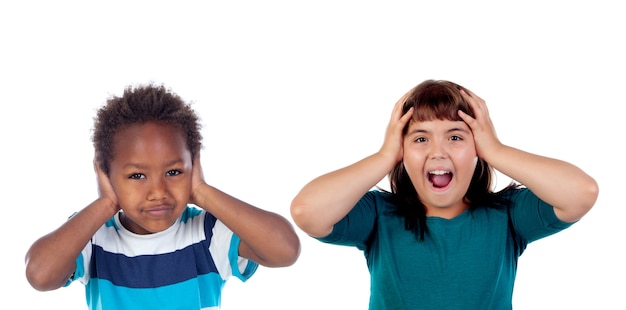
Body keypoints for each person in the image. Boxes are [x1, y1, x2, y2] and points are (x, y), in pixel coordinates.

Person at [290, 79, 598, 309]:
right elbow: (307, 211)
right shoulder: (379, 215)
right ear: (402, 151)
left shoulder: (506, 215)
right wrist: (384, 156)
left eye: (455, 136)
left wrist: (496, 149)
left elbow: (581, 193)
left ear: (477, 148)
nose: (438, 152)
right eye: (421, 138)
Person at [25, 83, 301, 310]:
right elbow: (40, 275)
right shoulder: (94, 235)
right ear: (105, 174)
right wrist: (106, 203)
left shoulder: (207, 233)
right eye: (137, 176)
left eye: (173, 172)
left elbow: (285, 250)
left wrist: (202, 191)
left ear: (194, 165)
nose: (158, 192)